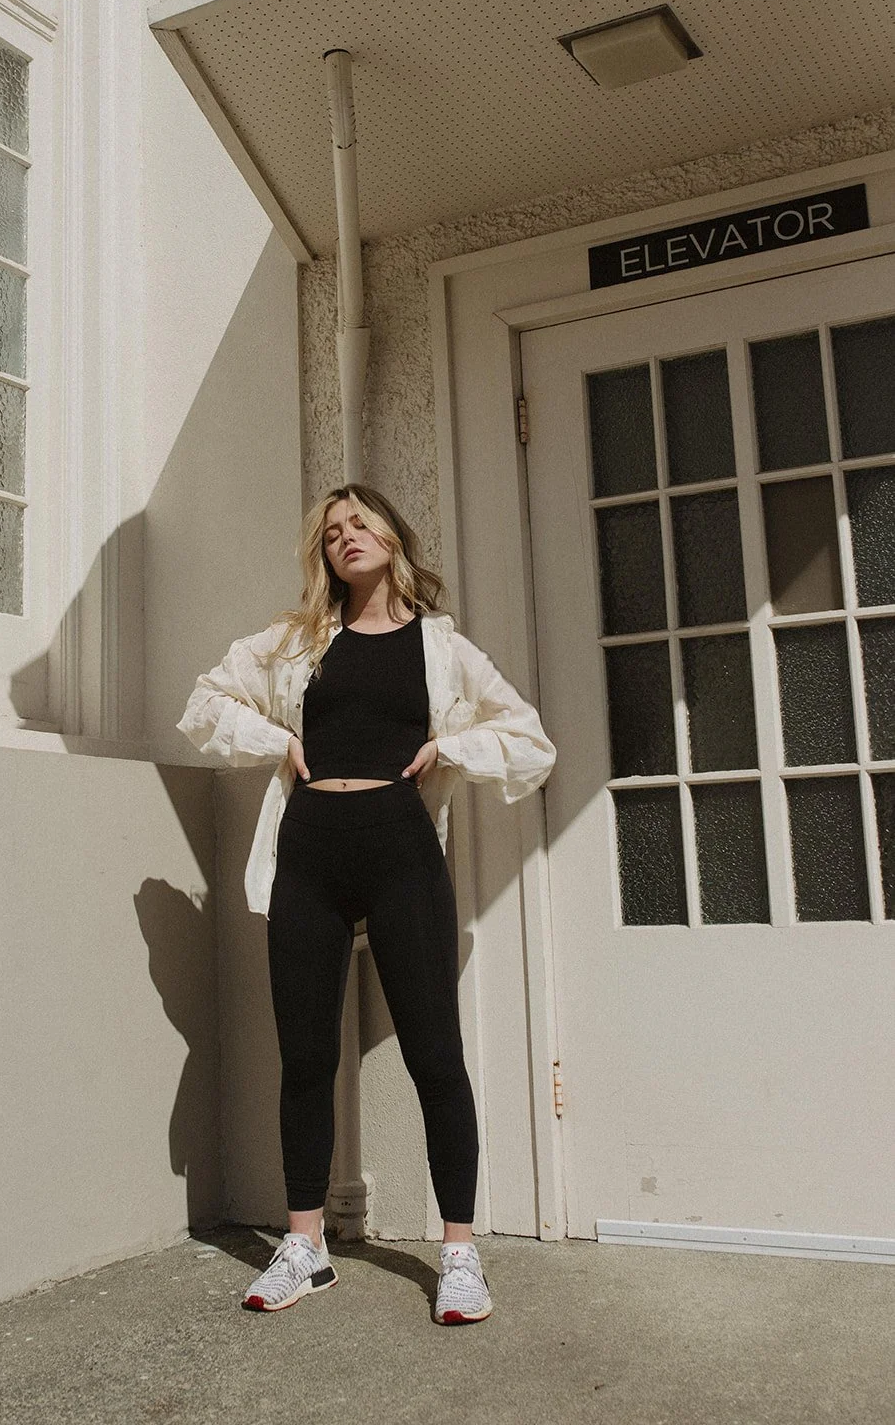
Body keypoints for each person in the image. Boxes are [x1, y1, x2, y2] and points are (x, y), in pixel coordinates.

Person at [180, 484, 555, 1323]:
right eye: (332, 530)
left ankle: (460, 1254)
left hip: (397, 846)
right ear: (323, 553)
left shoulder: (441, 646)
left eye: (361, 522)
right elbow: (204, 702)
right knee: (306, 1058)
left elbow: (530, 741)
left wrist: (448, 745)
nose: (347, 536)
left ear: (392, 535)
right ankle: (305, 1246)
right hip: (308, 850)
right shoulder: (297, 642)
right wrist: (278, 739)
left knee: (435, 1055)